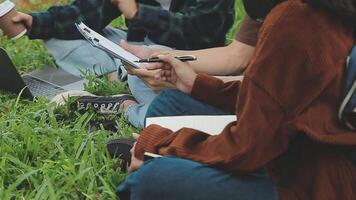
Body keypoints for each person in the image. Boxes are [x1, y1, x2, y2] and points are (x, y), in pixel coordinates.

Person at [115, 0, 356, 199]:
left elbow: (247, 149)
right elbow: (275, 97)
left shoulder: (294, 18)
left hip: (315, 181)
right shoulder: (322, 10)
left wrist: (162, 143)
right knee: (170, 103)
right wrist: (197, 85)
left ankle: (149, 149)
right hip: (301, 147)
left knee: (154, 179)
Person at [12, 0, 235, 128]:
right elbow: (87, 11)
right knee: (60, 35)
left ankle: (128, 99)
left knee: (149, 82)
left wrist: (138, 13)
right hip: (136, 46)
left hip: (188, 55)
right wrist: (35, 22)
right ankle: (118, 71)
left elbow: (204, 34)